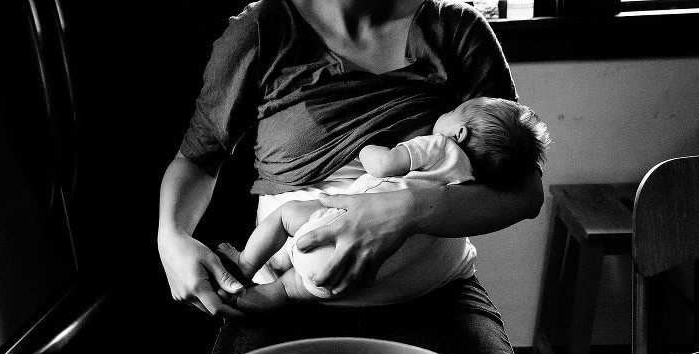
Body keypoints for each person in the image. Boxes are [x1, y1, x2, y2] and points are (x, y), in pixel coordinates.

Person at [157, 0, 545, 354]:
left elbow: (525, 193)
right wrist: (171, 238)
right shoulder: (262, 30)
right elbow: (197, 159)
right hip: (286, 304)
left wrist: (403, 212)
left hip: (433, 299)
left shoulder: (455, 29)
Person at [214, 96, 550, 310]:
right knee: (291, 290)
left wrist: (365, 149)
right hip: (379, 269)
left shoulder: (439, 147)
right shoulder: (474, 179)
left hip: (330, 224)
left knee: (286, 218)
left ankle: (243, 269)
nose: (445, 112)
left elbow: (384, 165)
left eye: (452, 110)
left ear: (459, 133)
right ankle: (270, 294)